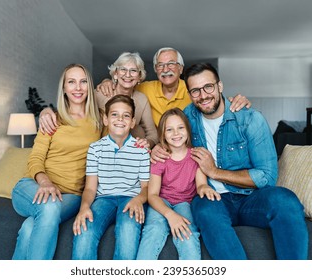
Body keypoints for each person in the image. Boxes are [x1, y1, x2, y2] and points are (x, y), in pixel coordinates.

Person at [152, 62, 308, 260]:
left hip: (251, 198)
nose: (203, 95)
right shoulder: (187, 118)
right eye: (195, 91)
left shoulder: (250, 119)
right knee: (203, 208)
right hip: (212, 198)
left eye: (208, 87)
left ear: (220, 86)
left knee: (285, 200)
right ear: (190, 94)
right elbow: (169, 135)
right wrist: (156, 147)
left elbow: (267, 177)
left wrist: (215, 172)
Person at [11, 63, 101, 259]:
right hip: (32, 185)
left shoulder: (99, 122)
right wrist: (45, 183)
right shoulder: (52, 119)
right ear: (64, 88)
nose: (78, 88)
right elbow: (35, 158)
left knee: (29, 228)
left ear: (89, 86)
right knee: (49, 206)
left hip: (72, 195)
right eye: (71, 82)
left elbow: (123, 129)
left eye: (83, 82)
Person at [72, 94, 150, 260]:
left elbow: (146, 188)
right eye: (114, 114)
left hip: (131, 198)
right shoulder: (95, 149)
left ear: (133, 122)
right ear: (105, 119)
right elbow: (90, 187)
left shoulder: (141, 150)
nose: (120, 119)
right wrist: (84, 207)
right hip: (104, 199)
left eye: (126, 115)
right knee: (85, 229)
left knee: (128, 229)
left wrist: (139, 200)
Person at [136, 108, 220, 260]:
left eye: (180, 128)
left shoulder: (195, 155)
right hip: (161, 202)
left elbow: (200, 184)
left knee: (187, 233)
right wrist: (170, 215)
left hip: (184, 203)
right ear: (163, 134)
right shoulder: (160, 157)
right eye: (169, 129)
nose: (176, 133)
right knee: (153, 230)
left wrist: (205, 187)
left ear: (188, 130)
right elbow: (153, 195)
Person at [96, 47, 252, 126]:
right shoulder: (144, 89)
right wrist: (107, 81)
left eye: (171, 64)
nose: (165, 69)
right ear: (156, 69)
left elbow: (213, 101)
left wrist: (234, 101)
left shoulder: (193, 89)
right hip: (156, 152)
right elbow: (126, 84)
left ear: (181, 69)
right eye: (161, 65)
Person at [39, 52, 158, 150]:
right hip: (99, 151)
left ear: (139, 76)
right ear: (115, 74)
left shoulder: (142, 99)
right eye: (123, 69)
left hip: (129, 151)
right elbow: (73, 108)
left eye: (133, 71)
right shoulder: (100, 94)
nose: (128, 74)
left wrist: (147, 142)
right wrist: (46, 111)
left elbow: (152, 133)